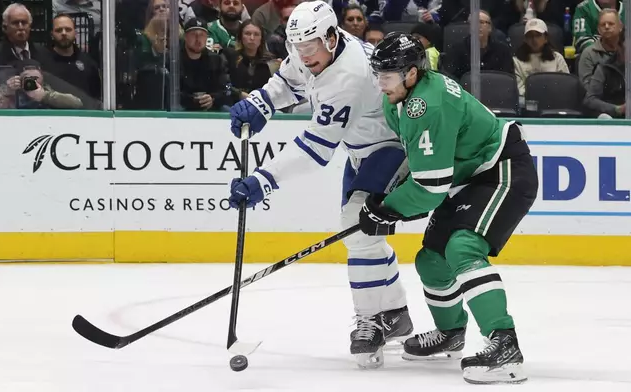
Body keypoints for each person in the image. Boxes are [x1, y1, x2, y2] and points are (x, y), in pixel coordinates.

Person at [226, 0, 415, 369]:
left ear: (331, 37)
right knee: (362, 234)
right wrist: (262, 102)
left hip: (393, 148)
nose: (304, 54)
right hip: (361, 148)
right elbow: (291, 79)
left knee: (354, 226)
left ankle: (370, 321)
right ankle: (394, 313)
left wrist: (264, 179)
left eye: (310, 47)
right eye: (298, 47)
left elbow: (315, 150)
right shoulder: (313, 43)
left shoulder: (351, 76)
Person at [362, 33, 538, 384]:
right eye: (378, 75)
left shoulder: (429, 103)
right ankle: (451, 333)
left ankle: (505, 345)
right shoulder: (396, 99)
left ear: (412, 73)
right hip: (468, 177)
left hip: (501, 170)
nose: (381, 83)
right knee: (432, 260)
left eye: (389, 75)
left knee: (462, 246)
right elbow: (420, 164)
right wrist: (386, 202)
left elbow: (430, 188)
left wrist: (389, 208)